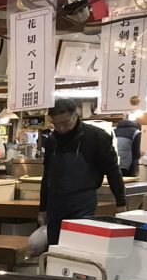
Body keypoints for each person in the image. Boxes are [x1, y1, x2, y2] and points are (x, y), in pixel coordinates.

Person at [39, 100, 126, 246]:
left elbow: (113, 170)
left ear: (76, 115)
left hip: (82, 202)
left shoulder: (97, 137)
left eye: (66, 123)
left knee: (77, 246)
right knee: (54, 247)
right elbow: (47, 174)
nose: (61, 128)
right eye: (56, 124)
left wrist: (121, 202)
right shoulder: (52, 141)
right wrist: (42, 208)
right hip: (55, 202)